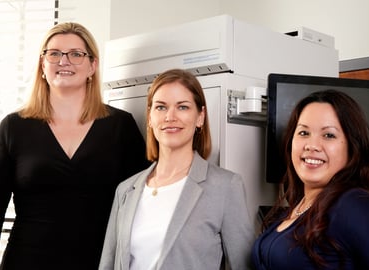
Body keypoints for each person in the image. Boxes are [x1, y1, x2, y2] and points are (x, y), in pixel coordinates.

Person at [0, 22, 149, 270]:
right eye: (54, 53)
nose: (64, 61)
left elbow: (144, 205)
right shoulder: (13, 127)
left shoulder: (121, 126)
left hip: (99, 264)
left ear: (92, 66)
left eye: (76, 54)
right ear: (43, 65)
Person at [98, 68, 255, 270]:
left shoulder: (225, 187)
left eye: (182, 107)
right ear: (150, 118)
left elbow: (244, 266)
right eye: (161, 107)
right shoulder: (126, 190)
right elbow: (108, 265)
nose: (170, 116)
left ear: (200, 117)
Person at [252, 89, 369, 269]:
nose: (312, 146)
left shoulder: (356, 206)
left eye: (329, 135)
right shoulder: (300, 205)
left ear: (351, 148)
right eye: (303, 133)